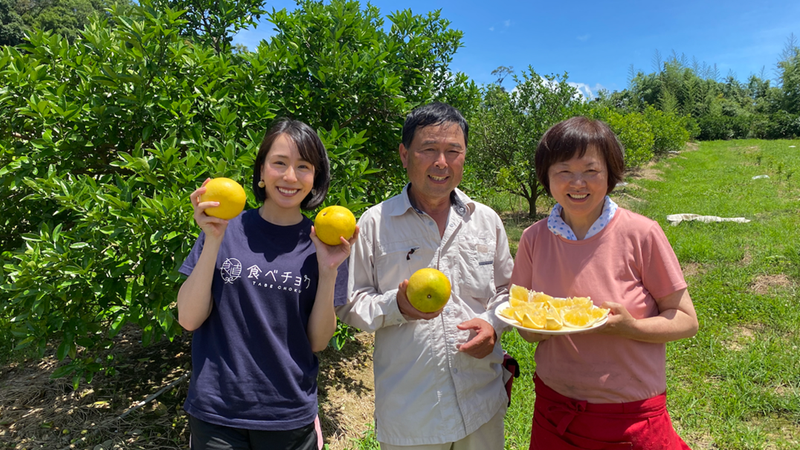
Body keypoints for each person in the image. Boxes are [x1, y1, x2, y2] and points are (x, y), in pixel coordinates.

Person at [511, 116, 699, 450]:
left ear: (610, 173)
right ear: (547, 177)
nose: (577, 182)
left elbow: (685, 320)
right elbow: (524, 327)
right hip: (555, 409)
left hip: (629, 415)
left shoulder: (642, 233)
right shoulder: (533, 239)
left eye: (591, 170)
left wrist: (630, 328)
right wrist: (545, 324)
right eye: (564, 170)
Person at [336, 102, 514, 450]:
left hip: (481, 401)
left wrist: (493, 323)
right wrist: (396, 304)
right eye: (428, 150)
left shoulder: (486, 221)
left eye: (453, 151)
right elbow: (349, 303)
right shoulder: (373, 224)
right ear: (405, 155)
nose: (441, 163)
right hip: (412, 413)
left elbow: (507, 290)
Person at [177, 118, 357, 450]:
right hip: (218, 412)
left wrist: (329, 270)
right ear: (261, 171)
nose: (290, 177)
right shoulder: (225, 228)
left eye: (303, 166)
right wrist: (213, 240)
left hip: (287, 412)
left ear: (315, 177)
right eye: (279, 163)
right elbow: (188, 318)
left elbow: (317, 342)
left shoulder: (324, 242)